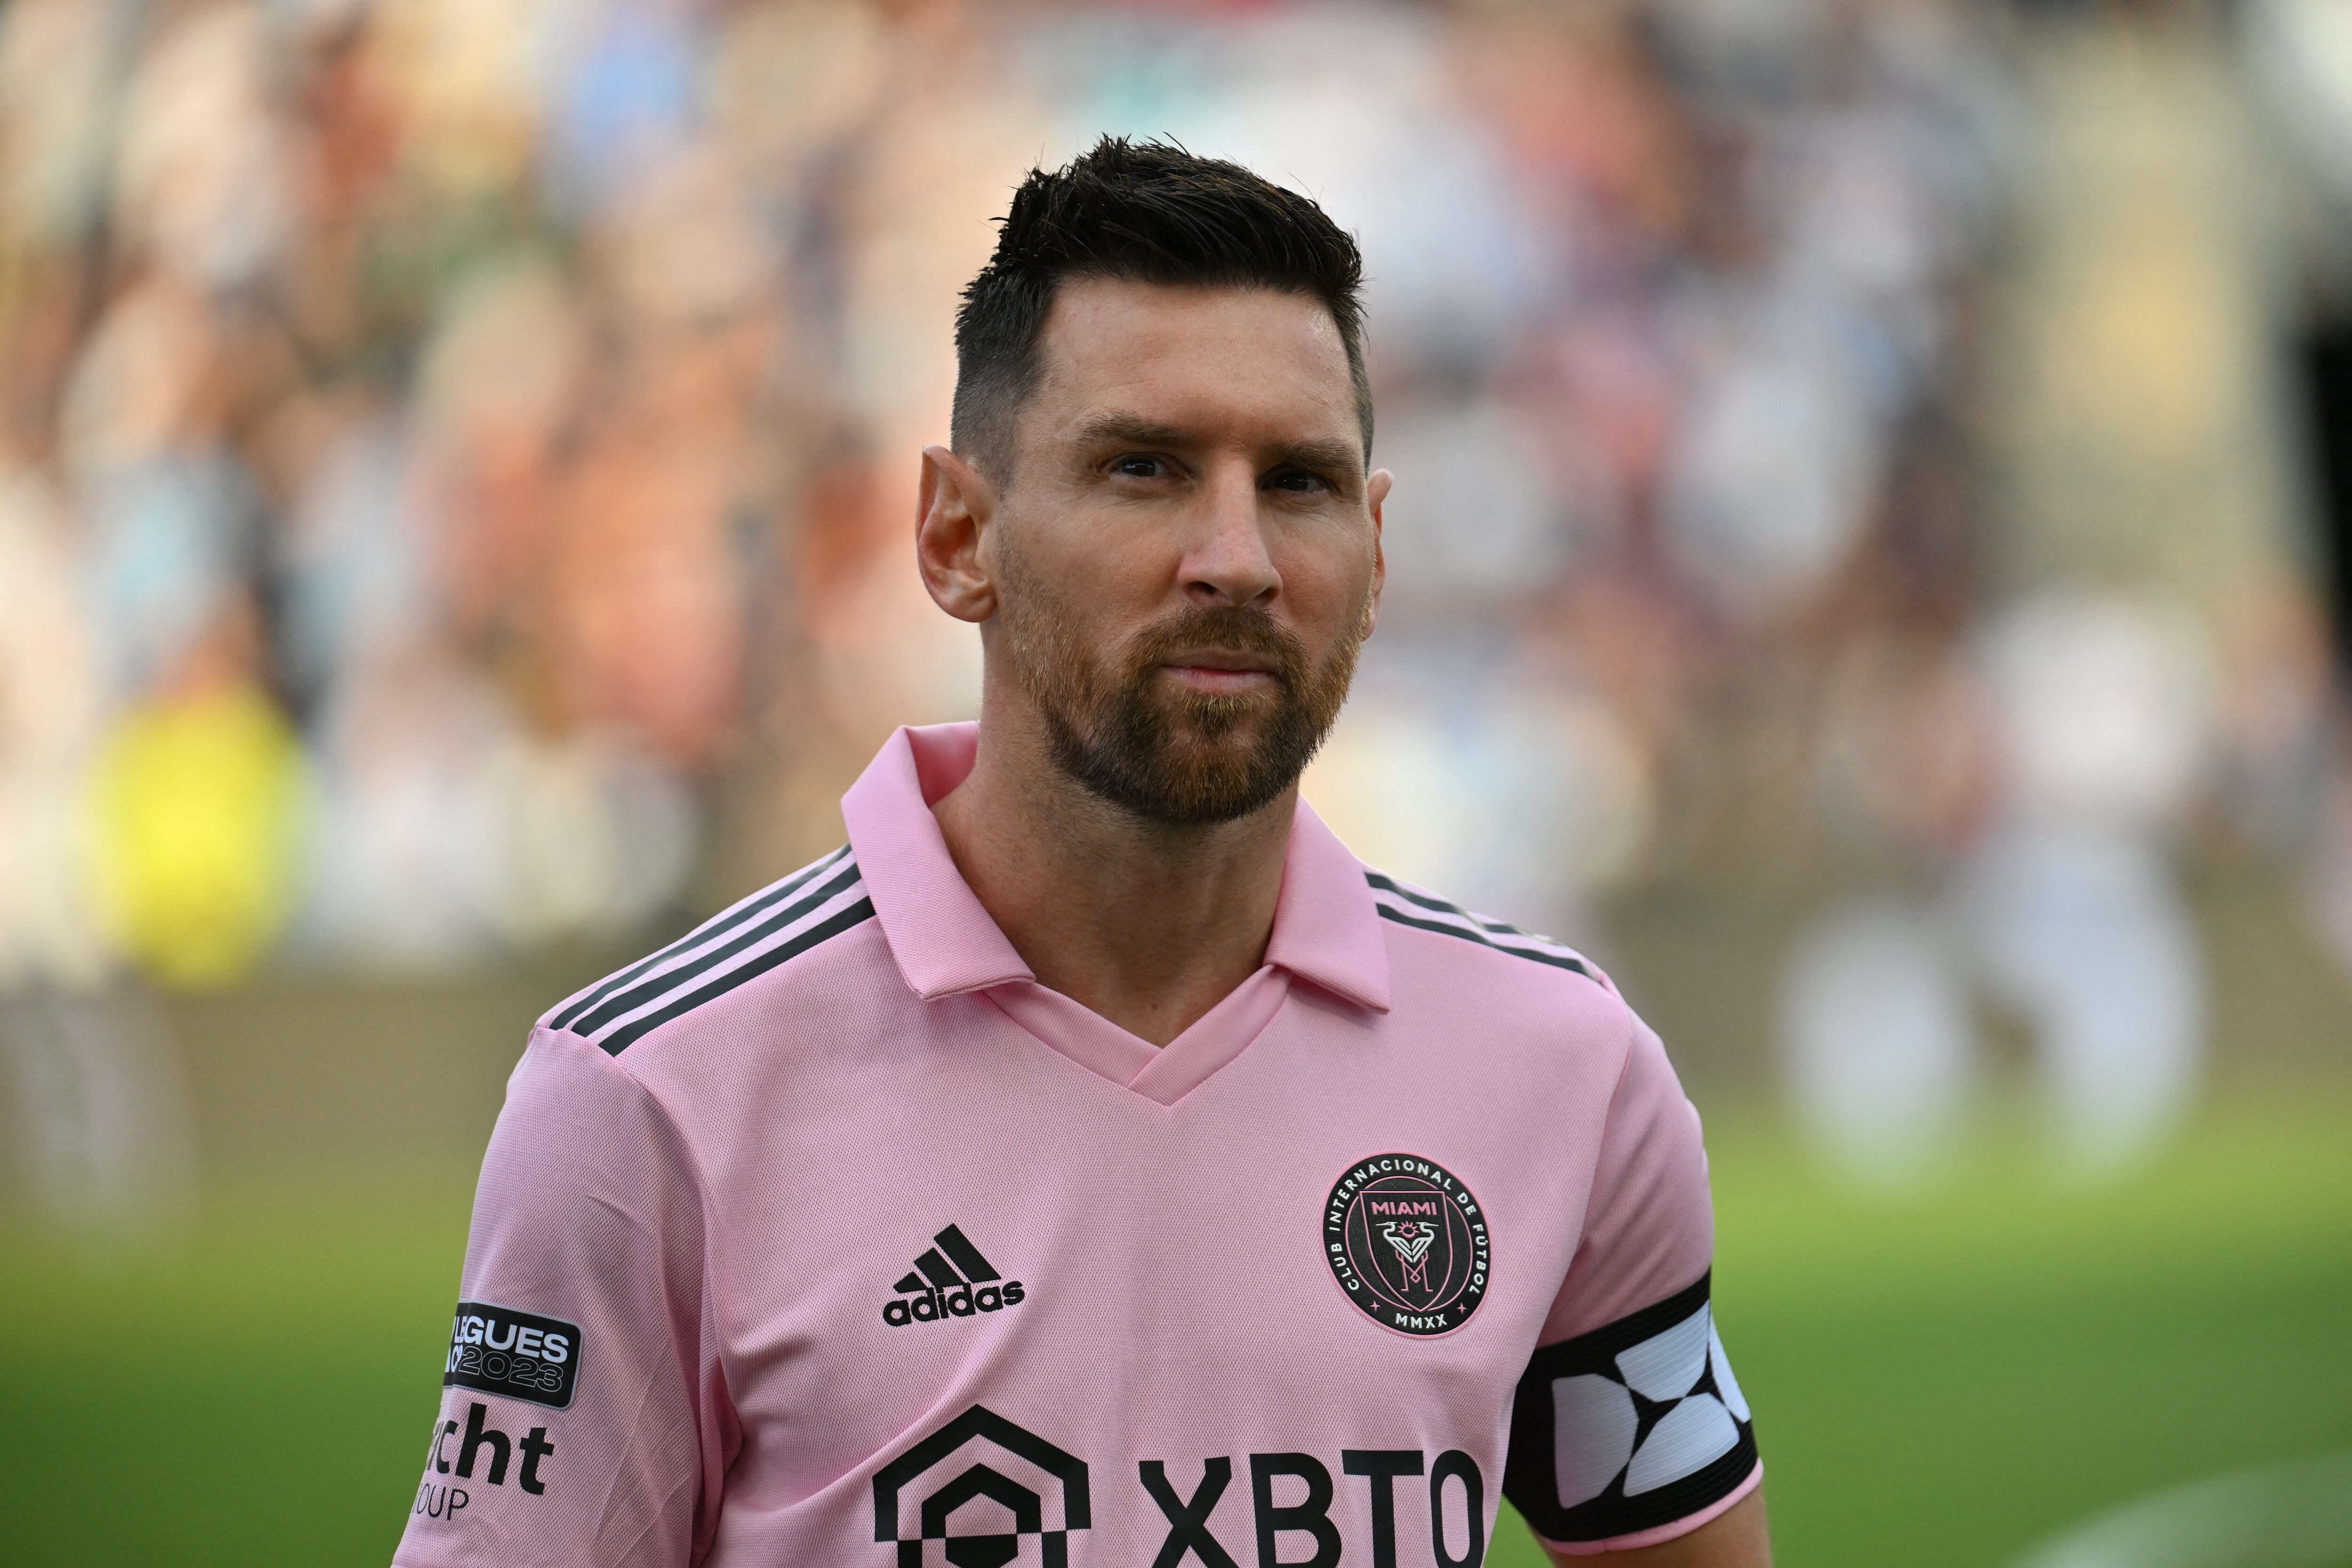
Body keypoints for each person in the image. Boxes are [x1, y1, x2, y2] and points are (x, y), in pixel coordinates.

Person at [392, 137, 1769, 1568]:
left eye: (1296, 483)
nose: (1236, 556)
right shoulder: (649, 1100)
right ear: (956, 535)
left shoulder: (1562, 1070)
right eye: (1144, 468)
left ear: (1373, 549)